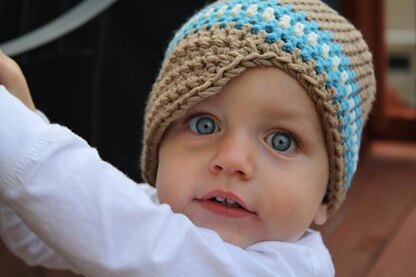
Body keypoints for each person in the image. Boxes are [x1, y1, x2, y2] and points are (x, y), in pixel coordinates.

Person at [0, 0, 375, 276]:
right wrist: (22, 115)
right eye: (204, 125)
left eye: (281, 141)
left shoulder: (288, 270)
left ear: (325, 197)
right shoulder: (160, 209)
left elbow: (124, 237)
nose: (232, 160)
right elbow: (40, 235)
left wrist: (15, 129)